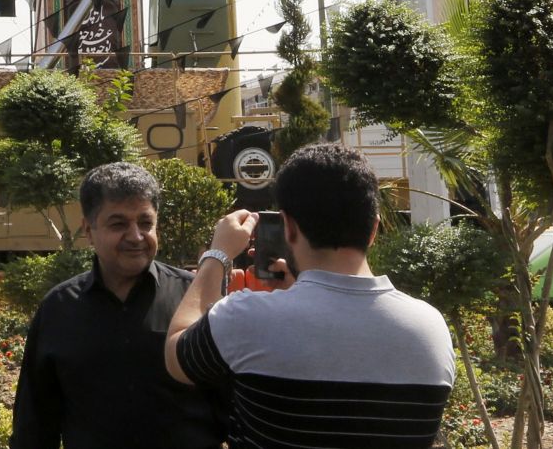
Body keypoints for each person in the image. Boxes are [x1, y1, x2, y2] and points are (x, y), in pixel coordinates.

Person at [165, 144, 455, 448]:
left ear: (289, 227)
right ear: (373, 229)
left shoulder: (246, 318)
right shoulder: (432, 328)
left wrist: (217, 255)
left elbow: (176, 355)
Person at [10, 163, 223, 449]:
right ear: (89, 229)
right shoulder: (59, 309)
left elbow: (232, 406)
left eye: (145, 223)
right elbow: (34, 424)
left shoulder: (194, 299)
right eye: (119, 224)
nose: (136, 236)